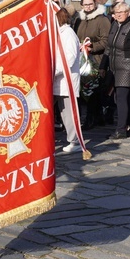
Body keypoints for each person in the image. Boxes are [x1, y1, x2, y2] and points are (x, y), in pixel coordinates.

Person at [99, 1, 130, 139]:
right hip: (114, 67)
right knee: (123, 99)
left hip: (127, 67)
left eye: (121, 12)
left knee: (121, 98)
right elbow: (109, 47)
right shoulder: (114, 25)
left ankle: (121, 130)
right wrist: (103, 65)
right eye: (116, 13)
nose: (118, 15)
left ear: (128, 13)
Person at [74, 0, 110, 128]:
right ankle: (96, 117)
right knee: (84, 90)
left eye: (90, 4)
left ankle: (91, 119)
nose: (88, 7)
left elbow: (106, 41)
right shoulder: (79, 20)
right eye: (85, 4)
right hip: (82, 59)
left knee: (93, 90)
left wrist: (92, 47)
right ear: (82, 5)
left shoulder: (102, 20)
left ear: (95, 4)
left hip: (96, 58)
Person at [54, 8, 82, 152]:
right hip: (58, 81)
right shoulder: (59, 33)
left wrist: (53, 71)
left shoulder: (68, 34)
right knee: (61, 111)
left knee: (69, 113)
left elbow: (69, 58)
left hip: (66, 80)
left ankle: (75, 141)